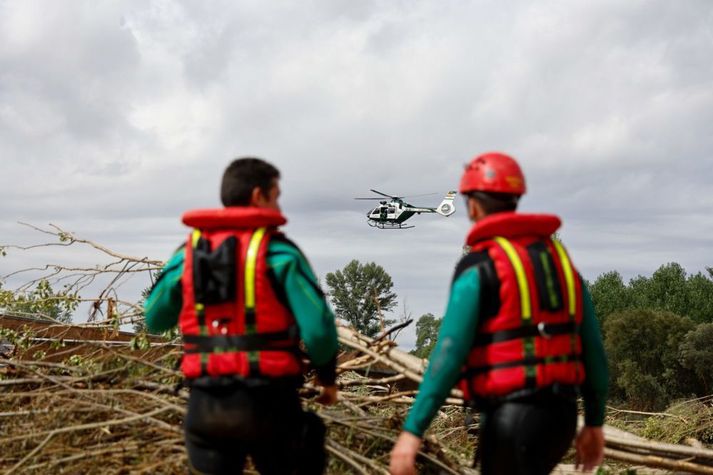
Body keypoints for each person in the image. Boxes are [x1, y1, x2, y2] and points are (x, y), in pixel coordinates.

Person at [389, 152, 608, 475]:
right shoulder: (561, 263)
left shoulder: (479, 266)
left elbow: (448, 354)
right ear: (516, 198)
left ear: (473, 205)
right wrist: (594, 422)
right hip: (561, 420)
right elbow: (594, 353)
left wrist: (412, 432)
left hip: (512, 420)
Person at [144, 157, 339, 475]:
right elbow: (318, 330)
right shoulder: (281, 254)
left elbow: (155, 319)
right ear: (258, 196)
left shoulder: (187, 254)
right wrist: (327, 379)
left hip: (206, 409)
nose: (279, 207)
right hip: (271, 406)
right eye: (276, 196)